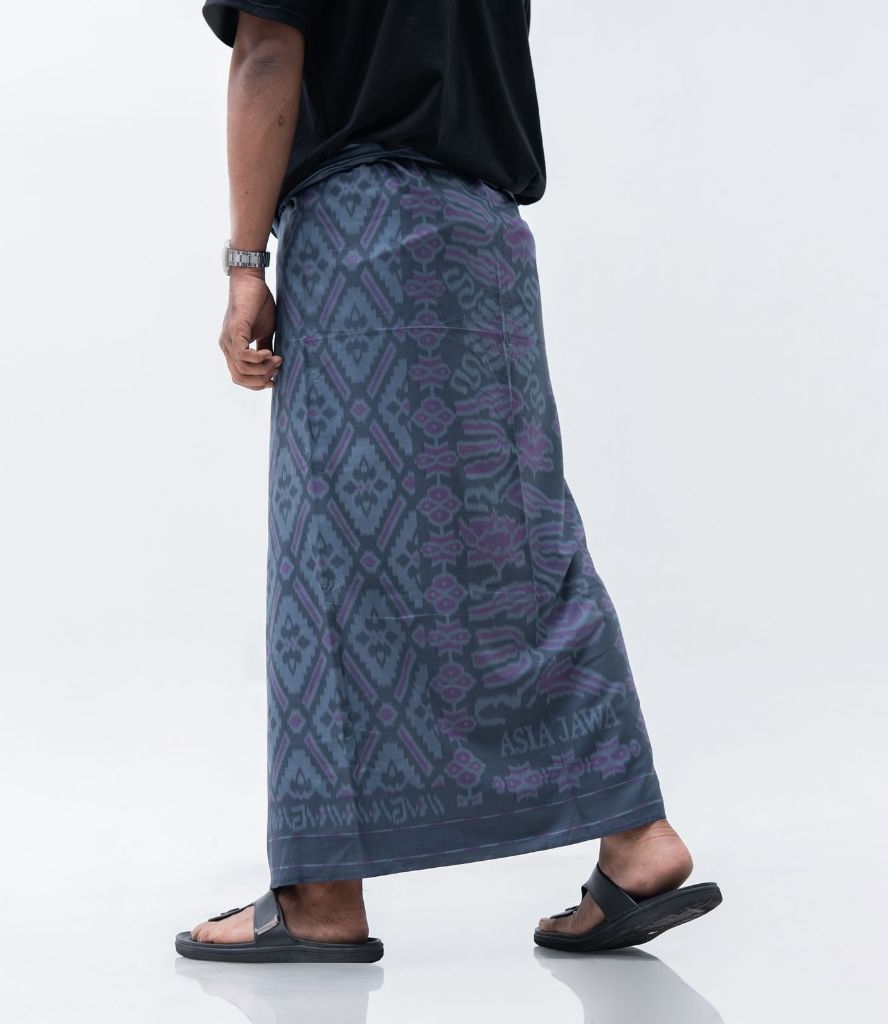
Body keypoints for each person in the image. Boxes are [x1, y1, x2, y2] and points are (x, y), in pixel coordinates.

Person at [175, 0, 722, 964]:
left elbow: (268, 50)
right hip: (485, 238)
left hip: (365, 234)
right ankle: (637, 838)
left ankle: (321, 895)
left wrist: (245, 265)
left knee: (329, 559)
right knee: (525, 546)